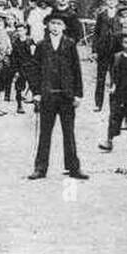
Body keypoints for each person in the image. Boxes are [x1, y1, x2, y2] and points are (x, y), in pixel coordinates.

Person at [28, 13, 89, 180]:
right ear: (47, 26)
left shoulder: (70, 45)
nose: (55, 27)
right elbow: (33, 70)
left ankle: (73, 167)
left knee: (69, 132)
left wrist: (78, 94)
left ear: (64, 27)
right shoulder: (42, 46)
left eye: (58, 24)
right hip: (47, 95)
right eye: (52, 23)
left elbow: (76, 70)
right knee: (45, 133)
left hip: (66, 96)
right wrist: (36, 93)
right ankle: (40, 168)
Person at [93, 0, 121, 112]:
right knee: (101, 77)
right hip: (103, 50)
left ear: (117, 1)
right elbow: (96, 33)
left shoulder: (120, 15)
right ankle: (98, 103)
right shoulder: (101, 15)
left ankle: (114, 104)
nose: (111, 2)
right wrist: (94, 50)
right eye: (109, 0)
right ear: (106, 1)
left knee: (115, 77)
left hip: (116, 50)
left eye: (114, 0)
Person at [10, 21, 40, 114]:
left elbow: (35, 55)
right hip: (20, 67)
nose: (20, 32)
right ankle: (19, 106)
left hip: (30, 67)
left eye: (21, 30)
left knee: (34, 86)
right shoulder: (15, 43)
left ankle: (37, 105)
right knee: (19, 87)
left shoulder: (30, 41)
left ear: (25, 31)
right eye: (18, 30)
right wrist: (15, 70)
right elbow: (14, 57)